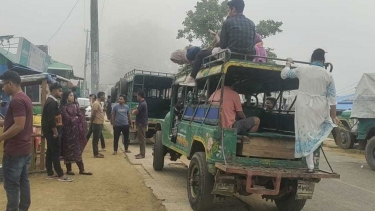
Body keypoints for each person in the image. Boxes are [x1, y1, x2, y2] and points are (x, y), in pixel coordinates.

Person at [281, 48, 340, 173]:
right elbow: (332, 98)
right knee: (317, 131)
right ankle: (311, 163)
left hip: (304, 105)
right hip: (320, 107)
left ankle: (310, 165)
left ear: (311, 58)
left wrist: (288, 63)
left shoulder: (302, 69)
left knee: (305, 133)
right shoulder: (328, 75)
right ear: (323, 60)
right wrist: (333, 116)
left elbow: (284, 75)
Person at [181, 0, 255, 86]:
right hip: (248, 56)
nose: (228, 13)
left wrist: (216, 38)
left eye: (228, 10)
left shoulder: (228, 22)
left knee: (200, 54)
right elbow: (251, 43)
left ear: (233, 9)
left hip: (230, 55)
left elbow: (223, 45)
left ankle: (192, 78)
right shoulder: (251, 23)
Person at [0, 71, 33, 210]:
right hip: (24, 149)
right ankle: (23, 208)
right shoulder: (25, 98)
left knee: (12, 186)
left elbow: (19, 126)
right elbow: (17, 122)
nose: (2, 88)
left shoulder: (17, 100)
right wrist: (3, 122)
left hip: (14, 150)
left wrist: (0, 137)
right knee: (23, 182)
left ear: (10, 83)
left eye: (3, 85)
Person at [42, 82, 73, 182]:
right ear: (54, 91)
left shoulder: (52, 101)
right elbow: (51, 120)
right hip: (52, 131)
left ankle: (50, 173)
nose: (61, 92)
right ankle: (60, 174)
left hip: (50, 131)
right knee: (55, 152)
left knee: (51, 151)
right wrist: (55, 132)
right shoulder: (51, 102)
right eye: (60, 90)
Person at [60, 91, 92, 175]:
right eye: (70, 95)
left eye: (73, 95)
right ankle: (69, 169)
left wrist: (76, 119)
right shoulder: (63, 107)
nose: (72, 97)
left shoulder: (76, 106)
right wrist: (76, 118)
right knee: (68, 150)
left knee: (77, 150)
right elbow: (67, 119)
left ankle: (82, 169)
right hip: (67, 132)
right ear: (66, 97)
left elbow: (81, 116)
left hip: (76, 132)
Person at [132, 91, 148, 159]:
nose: (136, 97)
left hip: (141, 123)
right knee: (140, 139)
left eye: (137, 95)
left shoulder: (142, 104)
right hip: (140, 123)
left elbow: (136, 112)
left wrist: (133, 112)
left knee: (142, 139)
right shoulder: (142, 103)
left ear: (139, 96)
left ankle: (142, 154)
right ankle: (141, 153)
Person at [91, 91, 106, 158]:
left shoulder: (99, 103)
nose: (104, 97)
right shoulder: (96, 103)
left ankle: (96, 152)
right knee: (95, 139)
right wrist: (91, 122)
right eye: (104, 96)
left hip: (99, 123)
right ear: (100, 96)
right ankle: (95, 154)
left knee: (97, 139)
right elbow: (93, 114)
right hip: (96, 123)